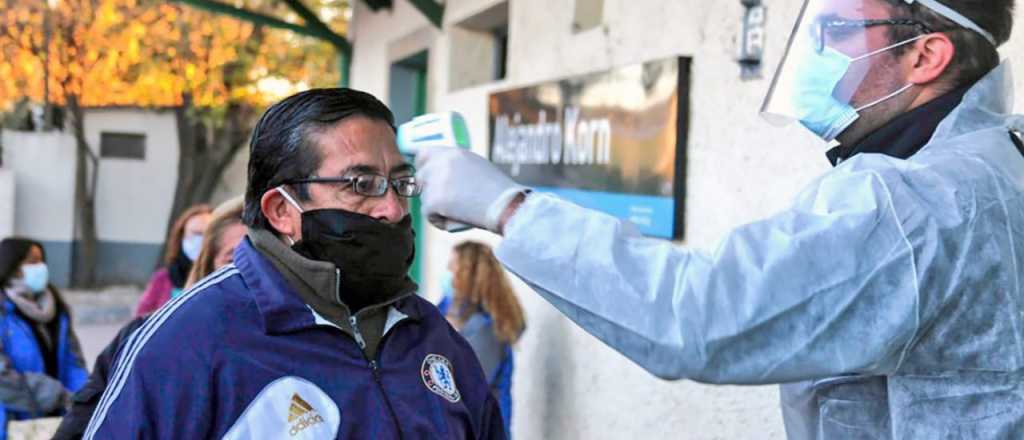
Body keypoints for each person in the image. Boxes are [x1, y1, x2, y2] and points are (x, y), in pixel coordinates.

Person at [416, 0, 1024, 438]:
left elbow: (697, 315)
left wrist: (508, 209)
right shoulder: (1000, 159)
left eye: (836, 28)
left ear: (925, 55)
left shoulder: (917, 199)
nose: (815, 48)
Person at [82, 88, 506, 439]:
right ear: (281, 210)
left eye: (399, 182)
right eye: (363, 185)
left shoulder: (431, 336)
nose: (393, 209)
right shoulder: (187, 342)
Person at [53, 196, 247, 440]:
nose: (249, 271)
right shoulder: (145, 335)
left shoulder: (295, 345)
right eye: (233, 260)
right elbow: (84, 417)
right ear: (207, 265)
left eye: (260, 260)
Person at [0, 238, 87, 440]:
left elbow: (73, 362)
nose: (40, 268)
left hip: (56, 421)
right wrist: (52, 393)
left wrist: (83, 399)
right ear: (13, 266)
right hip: (11, 422)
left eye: (41, 261)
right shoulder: (4, 311)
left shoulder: (56, 309)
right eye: (33, 262)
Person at [437, 241, 525, 437]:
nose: (447, 272)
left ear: (467, 275)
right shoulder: (448, 312)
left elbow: (462, 392)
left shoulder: (487, 330)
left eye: (452, 266)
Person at [133, 204, 212, 317]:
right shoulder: (163, 278)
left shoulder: (224, 279)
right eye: (196, 234)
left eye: (207, 234)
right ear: (182, 236)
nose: (201, 240)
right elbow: (140, 319)